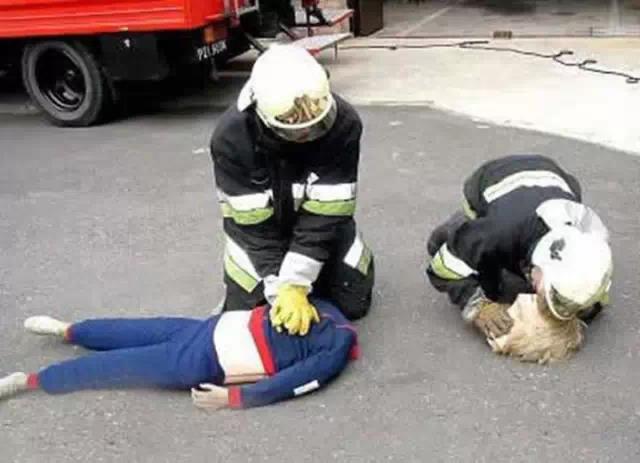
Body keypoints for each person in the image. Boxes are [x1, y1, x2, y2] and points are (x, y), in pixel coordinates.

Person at [210, 44, 374, 336]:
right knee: (250, 319)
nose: (307, 135)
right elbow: (254, 228)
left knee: (353, 303)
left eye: (316, 125)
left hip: (320, 224)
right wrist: (280, 289)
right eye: (294, 130)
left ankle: (327, 266)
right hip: (257, 235)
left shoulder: (344, 124)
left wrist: (297, 282)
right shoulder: (231, 138)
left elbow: (328, 211)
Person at [0, 299, 359, 409]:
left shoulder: (334, 338)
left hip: (212, 349)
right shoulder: (326, 312)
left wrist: (237, 397)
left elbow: (297, 381)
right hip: (212, 336)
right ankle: (66, 335)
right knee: (129, 341)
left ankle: (35, 374)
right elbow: (298, 379)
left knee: (122, 357)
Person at [426, 154, 613, 341]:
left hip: (552, 175)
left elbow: (592, 295)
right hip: (495, 178)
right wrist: (478, 305)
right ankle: (459, 230)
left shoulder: (589, 242)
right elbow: (442, 268)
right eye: (547, 291)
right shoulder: (499, 232)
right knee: (488, 278)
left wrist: (580, 311)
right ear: (543, 262)